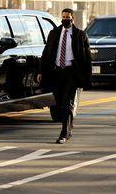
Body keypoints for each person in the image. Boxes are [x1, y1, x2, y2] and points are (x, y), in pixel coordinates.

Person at [37, 8, 92, 144]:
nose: (65, 19)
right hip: (56, 72)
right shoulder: (54, 33)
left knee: (67, 103)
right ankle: (69, 127)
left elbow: (87, 58)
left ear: (72, 18)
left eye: (67, 17)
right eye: (63, 17)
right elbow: (46, 53)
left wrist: (87, 76)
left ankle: (64, 133)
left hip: (71, 73)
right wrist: (41, 71)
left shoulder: (80, 35)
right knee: (59, 103)